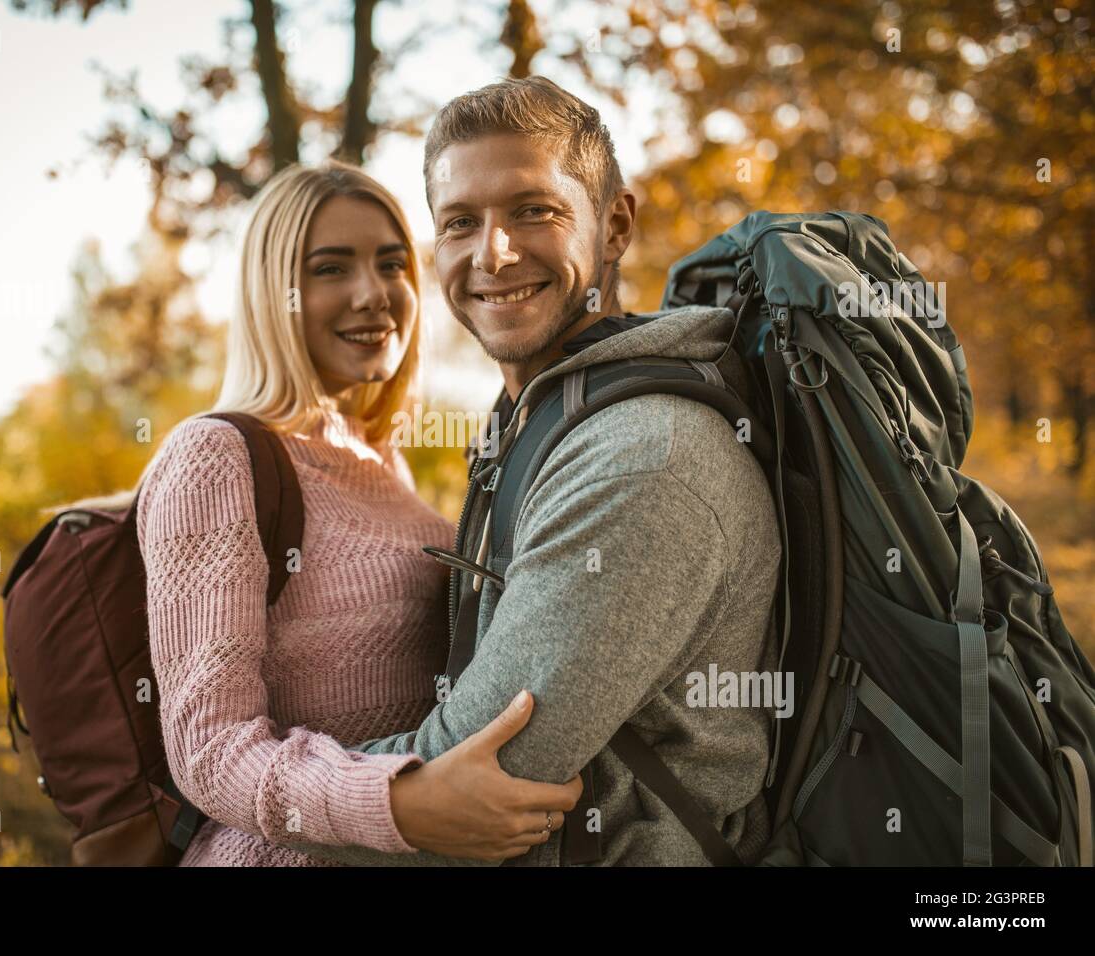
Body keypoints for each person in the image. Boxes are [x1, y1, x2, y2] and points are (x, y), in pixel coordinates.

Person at [284, 76, 782, 867]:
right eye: (459, 223)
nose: (494, 253)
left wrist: (246, 786)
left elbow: (469, 778)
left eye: (533, 210)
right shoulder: (542, 418)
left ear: (614, 223)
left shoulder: (643, 461)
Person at [134, 161, 582, 866]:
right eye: (330, 269)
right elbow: (211, 751)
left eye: (392, 264)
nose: (374, 294)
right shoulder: (215, 456)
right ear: (271, 294)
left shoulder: (382, 461)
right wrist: (402, 803)